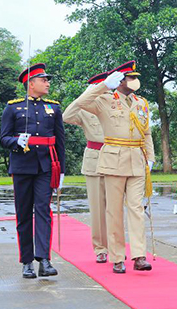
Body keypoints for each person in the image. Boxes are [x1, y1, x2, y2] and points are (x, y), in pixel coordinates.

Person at [74, 60, 154, 274]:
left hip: (137, 160)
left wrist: (150, 157)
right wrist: (103, 86)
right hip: (113, 160)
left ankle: (139, 255)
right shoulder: (103, 101)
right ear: (119, 81)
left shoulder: (141, 103)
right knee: (114, 211)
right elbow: (80, 103)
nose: (133, 81)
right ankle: (117, 256)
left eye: (134, 78)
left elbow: (146, 132)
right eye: (130, 77)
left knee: (137, 208)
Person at [0, 63, 65, 279]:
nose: (47, 83)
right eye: (43, 80)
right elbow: (3, 138)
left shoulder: (53, 108)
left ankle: (44, 260)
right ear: (31, 84)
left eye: (47, 80)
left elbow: (60, 141)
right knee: (24, 214)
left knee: (44, 212)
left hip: (46, 166)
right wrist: (17, 141)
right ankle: (27, 261)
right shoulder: (13, 107)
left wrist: (61, 170)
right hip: (22, 166)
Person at [63, 71, 109, 263]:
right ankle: (101, 248)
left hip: (116, 158)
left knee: (115, 208)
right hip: (94, 160)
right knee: (98, 209)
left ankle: (116, 246)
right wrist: (84, 97)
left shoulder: (112, 105)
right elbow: (66, 116)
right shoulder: (83, 109)